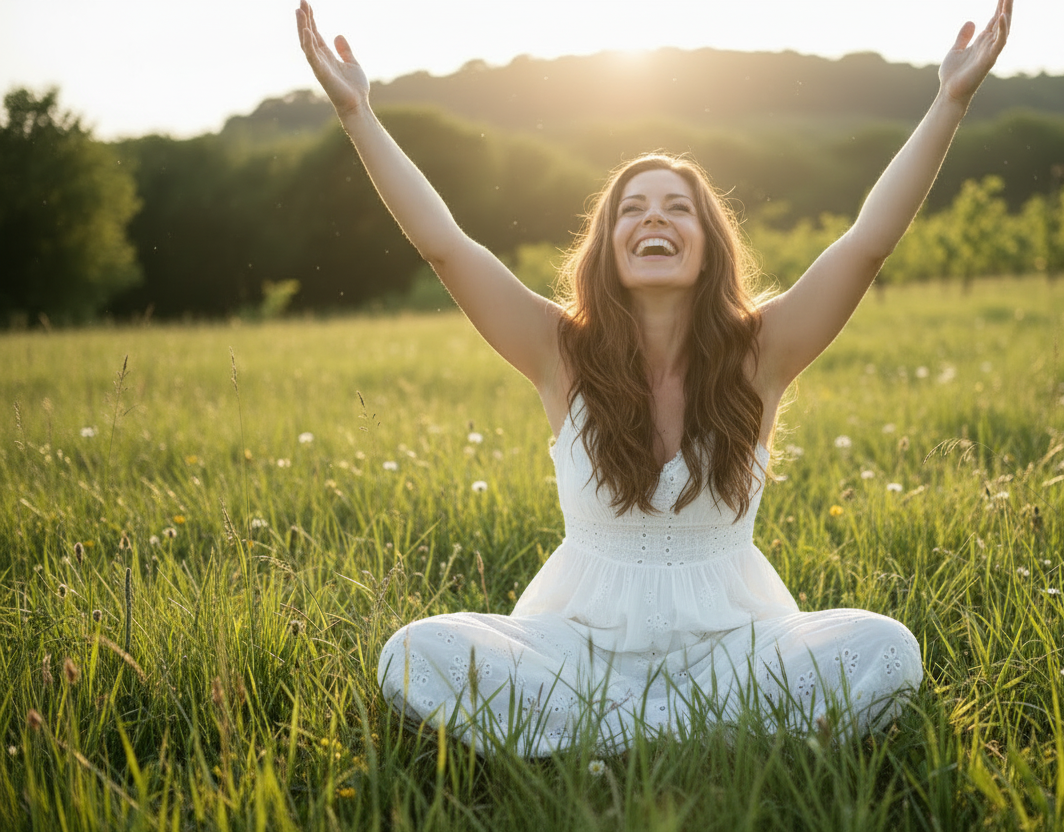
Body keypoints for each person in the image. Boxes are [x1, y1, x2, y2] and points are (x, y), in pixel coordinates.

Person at [296, 0, 1012, 755]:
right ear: (607, 246)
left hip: (735, 655)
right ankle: (695, 740)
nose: (653, 219)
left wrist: (949, 102)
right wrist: (357, 112)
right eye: (631, 210)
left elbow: (868, 242)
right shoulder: (559, 353)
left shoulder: (759, 354)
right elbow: (445, 244)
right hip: (582, 658)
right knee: (412, 650)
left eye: (678, 208)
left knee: (887, 646)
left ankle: (616, 741)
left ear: (709, 243)